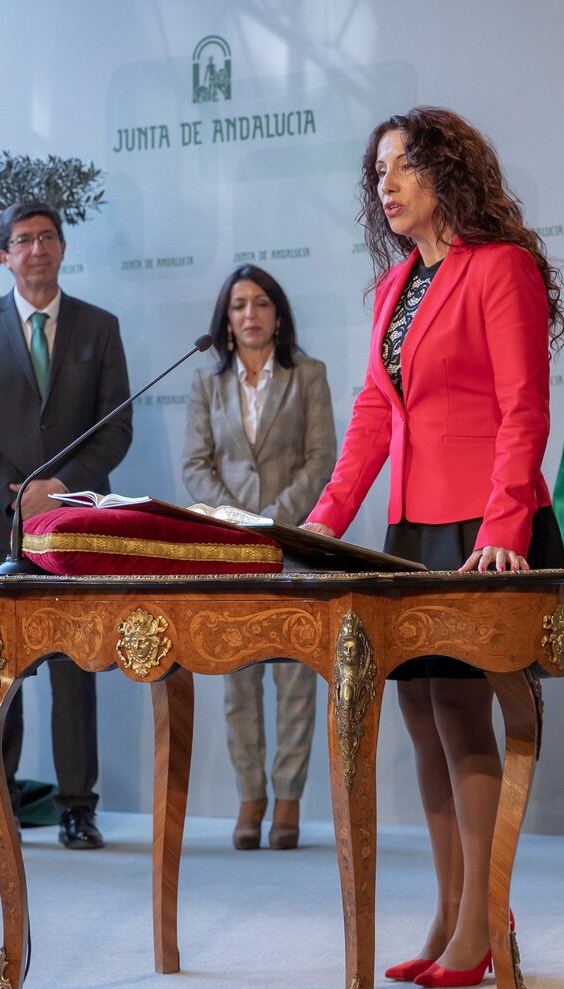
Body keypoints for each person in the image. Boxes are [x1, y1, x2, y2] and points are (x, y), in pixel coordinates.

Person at [303, 106, 564, 988]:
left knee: (461, 715)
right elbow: (374, 415)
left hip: (482, 528)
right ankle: (452, 909)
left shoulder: (501, 267)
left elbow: (524, 407)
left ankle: (484, 924)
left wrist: (504, 529)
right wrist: (326, 519)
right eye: (377, 171)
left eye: (402, 166)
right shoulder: (394, 287)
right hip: (411, 529)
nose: (384, 185)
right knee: (422, 717)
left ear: (446, 173)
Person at [0, 201, 132, 852]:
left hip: (75, 522)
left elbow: (116, 427)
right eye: (23, 240)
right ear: (4, 256)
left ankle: (78, 806)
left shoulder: (99, 327)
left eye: (47, 237)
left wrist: (59, 488)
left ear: (63, 247)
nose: (37, 248)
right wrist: (15, 492)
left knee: (77, 664)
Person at [181, 264, 336, 850]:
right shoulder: (207, 383)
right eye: (240, 304)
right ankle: (250, 799)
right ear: (226, 319)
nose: (251, 314)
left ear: (278, 315)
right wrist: (238, 523)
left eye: (262, 303)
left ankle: (288, 801)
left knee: (296, 677)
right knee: (238, 679)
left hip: (293, 546)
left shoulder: (308, 374)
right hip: (230, 549)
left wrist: (274, 522)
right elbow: (196, 465)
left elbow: (321, 458)